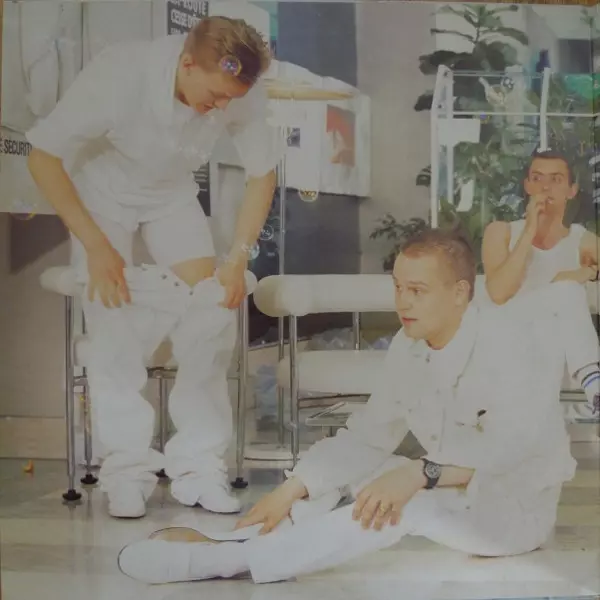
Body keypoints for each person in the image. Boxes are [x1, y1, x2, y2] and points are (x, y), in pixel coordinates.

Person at [116, 228, 584, 585]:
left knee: (410, 502)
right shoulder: (409, 345)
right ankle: (249, 534)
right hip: (447, 486)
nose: (402, 302)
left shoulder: (511, 347)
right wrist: (290, 489)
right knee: (353, 471)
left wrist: (421, 473)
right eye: (398, 287)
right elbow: (368, 436)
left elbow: (511, 449)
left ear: (460, 293)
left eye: (417, 290)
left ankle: (231, 560)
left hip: (512, 512)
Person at [26, 17, 283, 518]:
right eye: (215, 96)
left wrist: (236, 259)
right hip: (102, 193)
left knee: (213, 308)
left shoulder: (240, 88)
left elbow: (262, 174)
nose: (222, 108)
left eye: (231, 99)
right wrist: (97, 247)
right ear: (187, 64)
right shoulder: (120, 73)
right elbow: (42, 157)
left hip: (170, 195)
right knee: (110, 315)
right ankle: (126, 471)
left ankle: (199, 467)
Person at [482, 149, 600, 422]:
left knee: (566, 289)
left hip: (553, 344)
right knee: (567, 288)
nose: (545, 187)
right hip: (509, 336)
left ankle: (593, 390)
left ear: (571, 190)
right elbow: (498, 294)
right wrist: (529, 230)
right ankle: (594, 384)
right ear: (527, 186)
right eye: (537, 178)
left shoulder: (581, 240)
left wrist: (588, 273)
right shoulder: (501, 232)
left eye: (556, 179)